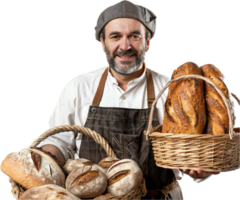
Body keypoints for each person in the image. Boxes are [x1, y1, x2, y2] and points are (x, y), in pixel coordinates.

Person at [37, 0, 219, 199]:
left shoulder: (170, 89)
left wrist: (201, 168)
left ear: (147, 41)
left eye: (134, 36)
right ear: (102, 42)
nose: (125, 46)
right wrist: (41, 163)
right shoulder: (78, 87)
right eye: (116, 37)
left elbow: (191, 148)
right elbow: (59, 142)